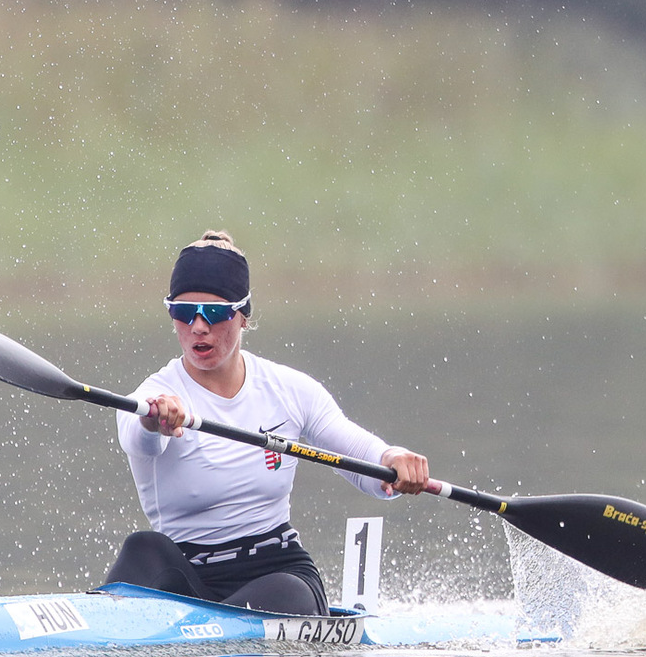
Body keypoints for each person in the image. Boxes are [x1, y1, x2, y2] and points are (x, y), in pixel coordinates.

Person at [106, 231, 429, 616]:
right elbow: (136, 438)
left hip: (275, 574)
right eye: (183, 311)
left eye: (214, 313)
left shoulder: (289, 389)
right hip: (186, 578)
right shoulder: (153, 395)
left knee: (287, 593)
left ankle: (225, 636)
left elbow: (363, 461)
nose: (197, 326)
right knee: (142, 548)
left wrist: (394, 460)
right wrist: (154, 421)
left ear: (243, 315)